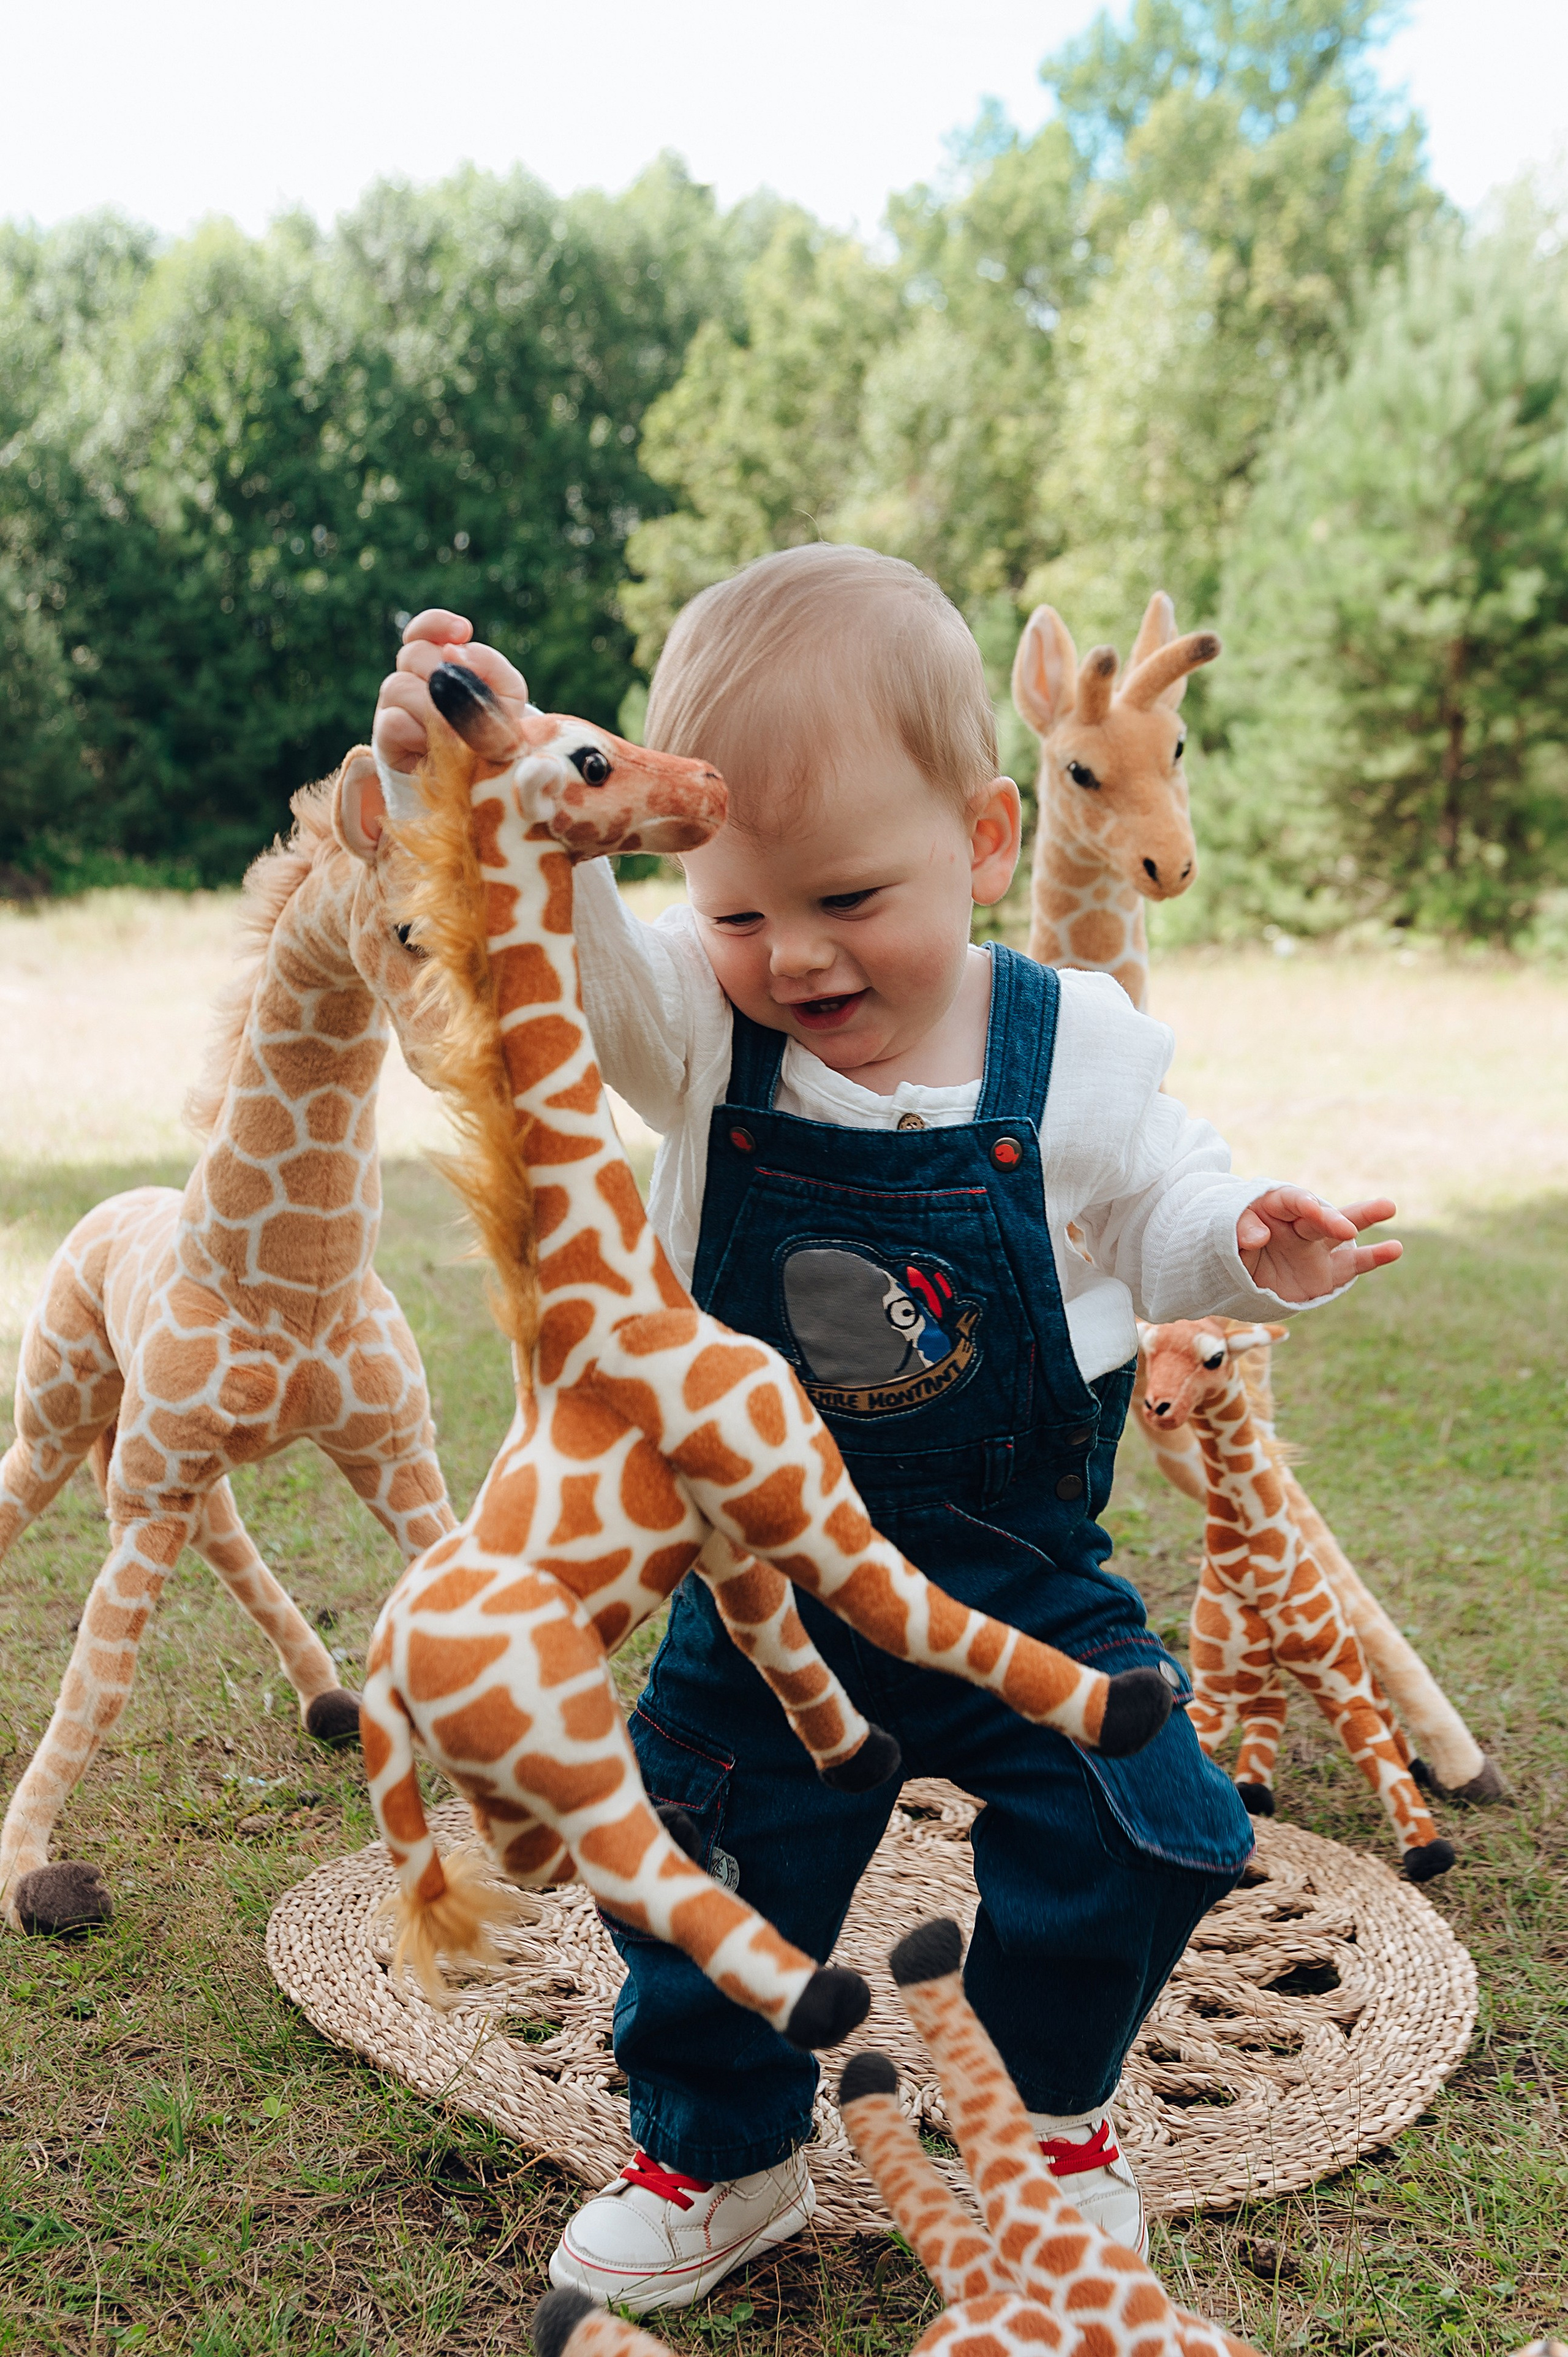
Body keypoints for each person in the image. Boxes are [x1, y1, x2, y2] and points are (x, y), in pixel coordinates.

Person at [372, 547, 1400, 2312]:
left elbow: (1156, 1202)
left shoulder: (1073, 1042)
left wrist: (1245, 1247)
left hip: (1017, 1569)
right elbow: (547, 957)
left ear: (986, 841)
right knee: (703, 1841)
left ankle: (1047, 2126)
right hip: (759, 1577)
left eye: (853, 895)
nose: (800, 956)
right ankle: (726, 2143)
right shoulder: (699, 1025)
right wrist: (441, 781)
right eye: (744, 910)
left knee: (1135, 1819)